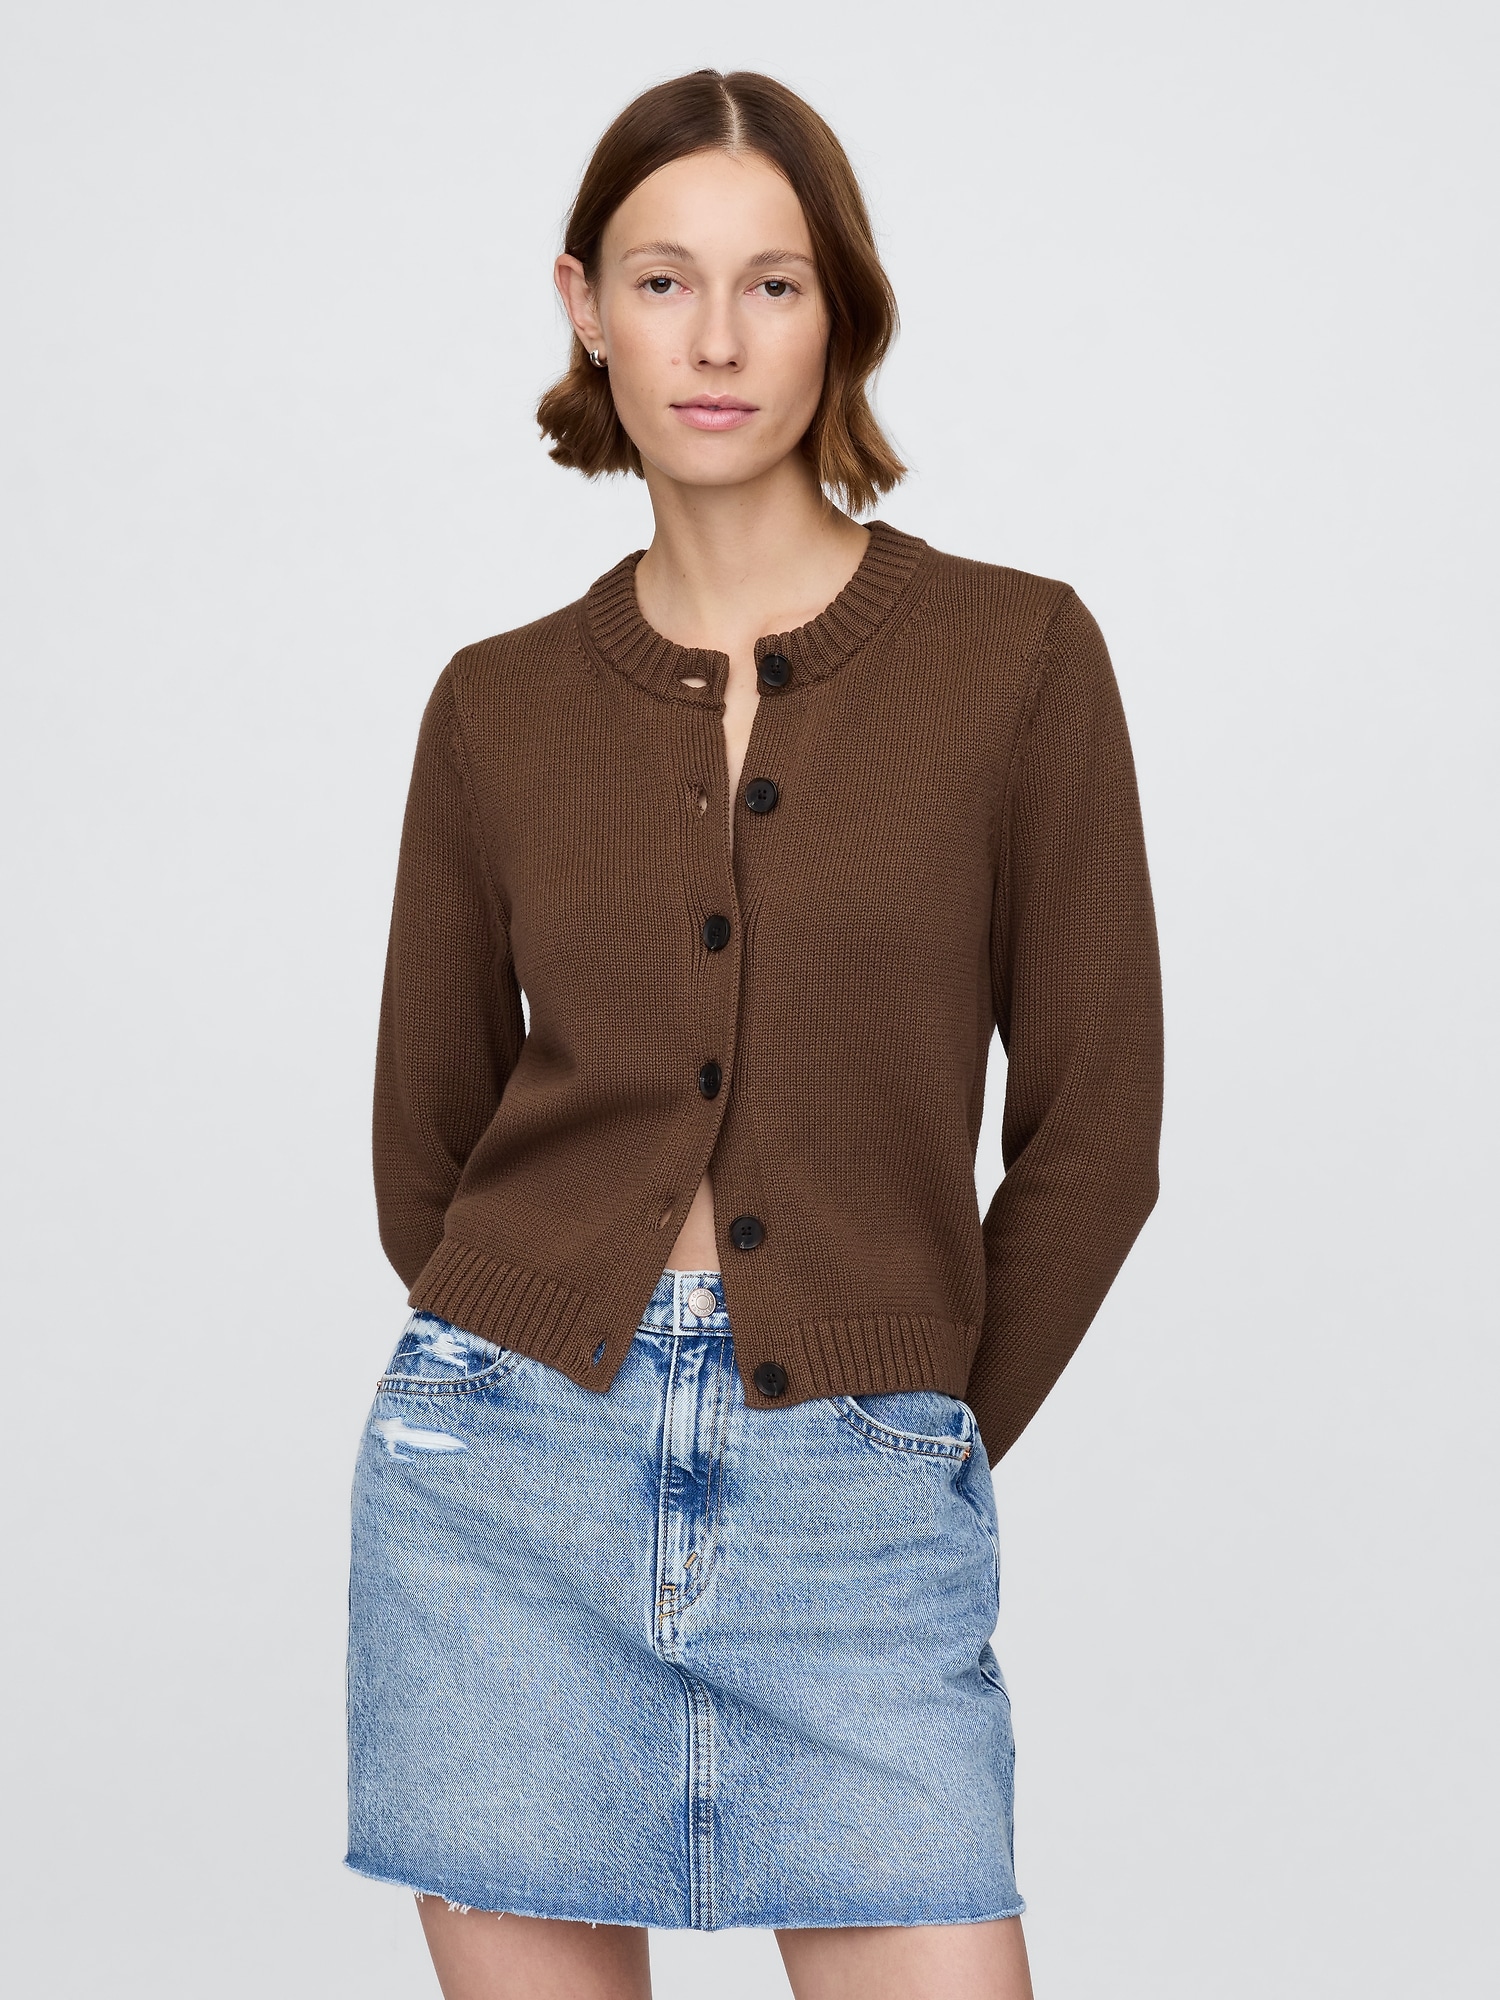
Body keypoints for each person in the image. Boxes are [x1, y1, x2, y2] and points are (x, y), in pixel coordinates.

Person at [344, 67, 1163, 2000]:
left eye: (772, 285)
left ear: (840, 312)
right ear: (584, 307)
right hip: (504, 1491)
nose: (714, 339)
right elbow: (424, 1142)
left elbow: (1096, 1137)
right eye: (662, 280)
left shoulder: (1017, 658)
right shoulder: (495, 707)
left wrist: (917, 1424)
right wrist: (548, 1359)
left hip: (859, 1481)